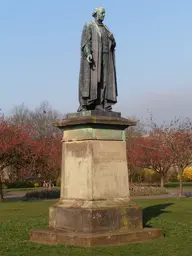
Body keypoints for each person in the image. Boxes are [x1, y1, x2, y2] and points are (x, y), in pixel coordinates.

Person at [78, 7, 118, 112]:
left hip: (106, 56)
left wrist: (112, 41)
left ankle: (103, 102)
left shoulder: (106, 28)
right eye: (102, 13)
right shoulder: (89, 26)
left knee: (105, 80)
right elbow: (85, 42)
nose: (104, 15)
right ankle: (92, 103)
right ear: (96, 14)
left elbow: (113, 43)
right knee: (95, 80)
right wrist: (88, 53)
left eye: (104, 13)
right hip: (95, 57)